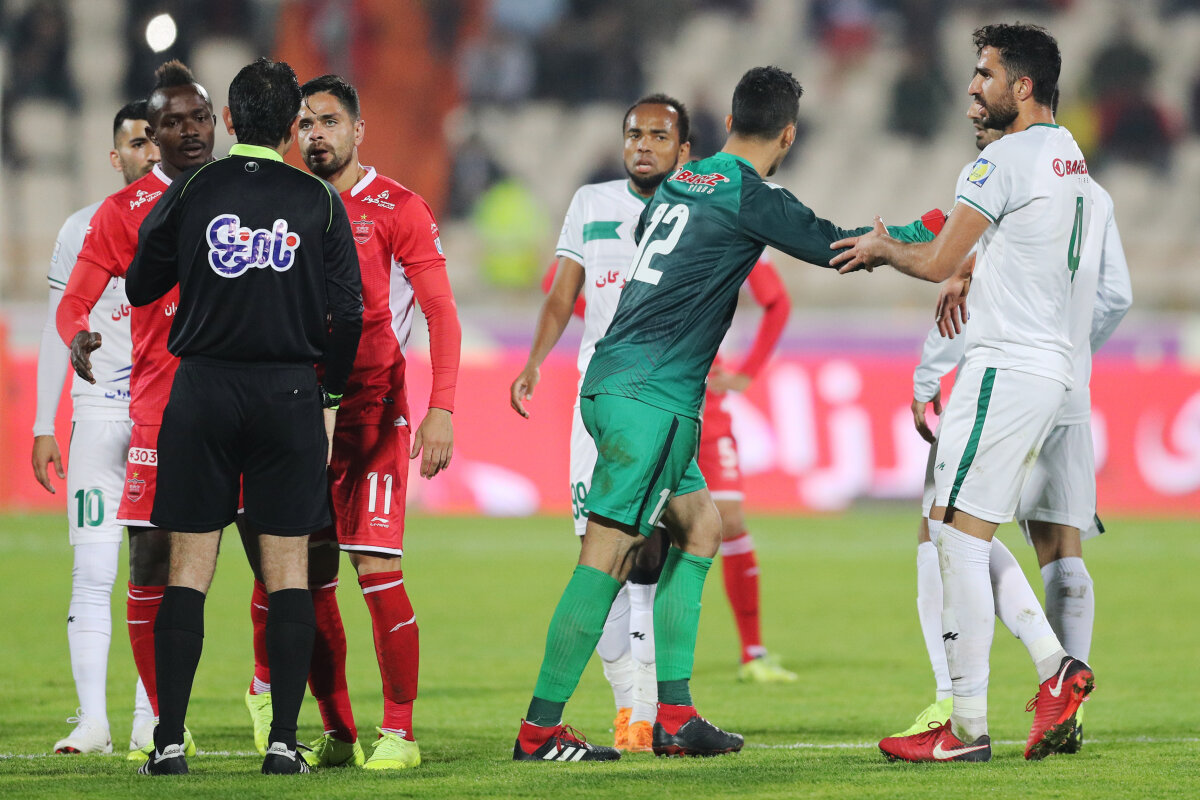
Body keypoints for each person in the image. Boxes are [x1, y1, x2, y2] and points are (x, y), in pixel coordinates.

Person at [512, 65, 883, 762]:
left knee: (702, 525)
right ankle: (539, 731)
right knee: (606, 556)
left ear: (729, 123)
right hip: (651, 397)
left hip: (619, 381)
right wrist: (917, 235)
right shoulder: (747, 193)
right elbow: (835, 245)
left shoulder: (685, 181)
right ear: (788, 135)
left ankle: (676, 716)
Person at [833, 23, 1097, 762]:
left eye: (986, 74)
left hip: (1004, 365)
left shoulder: (999, 160)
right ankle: (1045, 674)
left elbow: (935, 259)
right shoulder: (1070, 155)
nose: (973, 86)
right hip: (1051, 368)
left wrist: (884, 248)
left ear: (1023, 86)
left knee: (951, 536)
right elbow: (1009, 247)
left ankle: (973, 723)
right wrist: (975, 266)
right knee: (958, 529)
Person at [124, 57, 363, 776]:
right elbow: (350, 313)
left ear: (229, 120)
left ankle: (169, 742)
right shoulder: (319, 200)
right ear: (292, 124)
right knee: (287, 569)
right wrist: (329, 396)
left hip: (203, 388)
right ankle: (284, 743)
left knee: (188, 567)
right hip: (288, 393)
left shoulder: (194, 187)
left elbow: (140, 284)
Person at [892, 99, 1132, 753]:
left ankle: (965, 704)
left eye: (985, 84)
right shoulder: (1093, 195)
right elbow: (1118, 296)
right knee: (1060, 546)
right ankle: (1064, 714)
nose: (974, 102)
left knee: (945, 524)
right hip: (1068, 383)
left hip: (1011, 374)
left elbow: (972, 291)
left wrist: (927, 376)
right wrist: (1073, 353)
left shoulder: (1005, 181)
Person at [239, 73, 460, 771]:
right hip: (298, 416)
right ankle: (338, 732)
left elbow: (440, 311)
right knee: (300, 576)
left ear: (358, 130)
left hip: (372, 416)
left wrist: (442, 408)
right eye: (305, 124)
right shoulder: (286, 205)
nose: (316, 136)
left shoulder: (397, 207)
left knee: (377, 570)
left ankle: (400, 734)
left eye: (329, 122)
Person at [510, 94, 691, 752]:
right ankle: (632, 709)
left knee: (662, 547)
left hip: (665, 400)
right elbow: (563, 293)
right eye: (634, 134)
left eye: (659, 135)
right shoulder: (592, 203)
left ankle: (653, 710)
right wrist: (534, 361)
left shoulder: (700, 211)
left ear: (683, 150)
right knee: (601, 551)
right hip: (599, 399)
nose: (643, 145)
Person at [56, 60, 216, 762]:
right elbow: (72, 301)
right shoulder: (120, 214)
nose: (187, 132)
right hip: (147, 409)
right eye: (170, 124)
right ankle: (149, 721)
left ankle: (275, 722)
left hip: (236, 407)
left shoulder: (240, 192)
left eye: (198, 117)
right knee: (148, 561)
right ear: (151, 137)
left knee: (275, 560)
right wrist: (77, 334)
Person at [35, 100, 159, 755]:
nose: (150, 151)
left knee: (153, 574)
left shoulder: (189, 220)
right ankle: (92, 723)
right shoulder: (81, 228)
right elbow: (57, 324)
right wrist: (42, 423)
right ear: (116, 157)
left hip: (160, 421)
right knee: (91, 569)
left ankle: (150, 719)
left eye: (156, 139)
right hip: (97, 418)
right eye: (137, 142)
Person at [703, 258, 797, 683]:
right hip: (651, 391)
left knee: (730, 520)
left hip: (707, 402)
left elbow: (776, 301)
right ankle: (641, 659)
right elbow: (558, 283)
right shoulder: (630, 229)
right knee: (650, 537)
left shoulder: (733, 229)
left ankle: (752, 652)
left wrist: (746, 372)